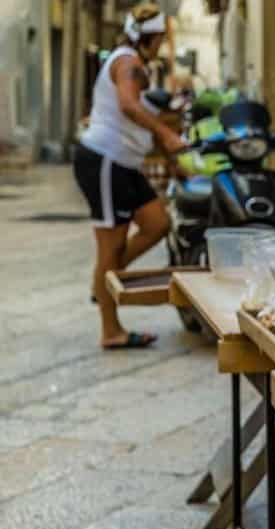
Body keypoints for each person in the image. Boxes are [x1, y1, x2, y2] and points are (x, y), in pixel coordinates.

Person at [73, 2, 186, 349]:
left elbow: (144, 119)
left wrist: (172, 162)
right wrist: (167, 136)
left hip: (124, 163)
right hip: (105, 160)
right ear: (148, 38)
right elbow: (128, 106)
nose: (161, 46)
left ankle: (101, 284)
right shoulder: (127, 62)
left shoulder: (137, 66)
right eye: (158, 39)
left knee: (157, 223)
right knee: (111, 246)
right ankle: (111, 329)